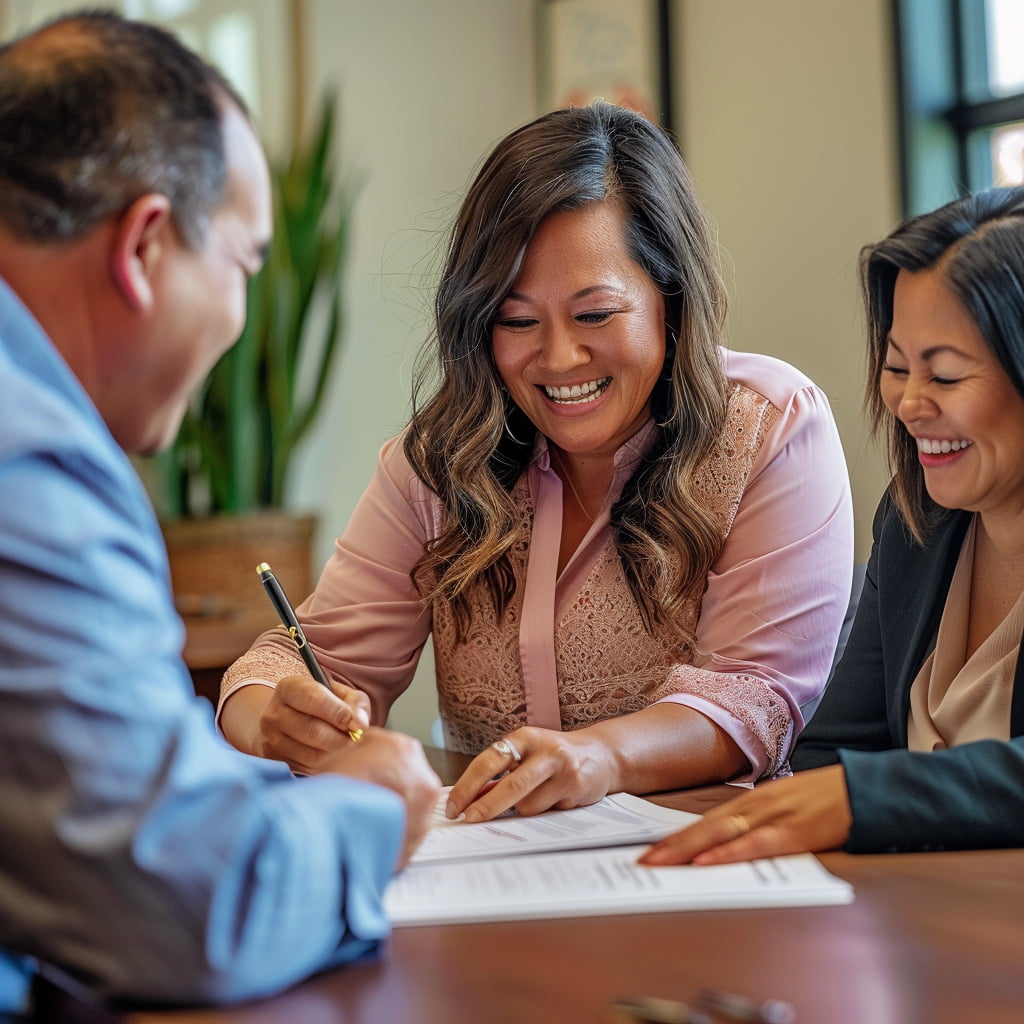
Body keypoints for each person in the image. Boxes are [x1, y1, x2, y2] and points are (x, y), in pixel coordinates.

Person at [219, 101, 854, 824]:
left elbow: (754, 696)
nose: (558, 359)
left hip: (710, 869)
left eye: (595, 315)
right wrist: (271, 714)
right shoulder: (437, 462)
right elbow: (304, 659)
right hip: (495, 879)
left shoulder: (770, 429)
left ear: (670, 299)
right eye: (517, 321)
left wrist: (600, 757)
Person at [0, 11, 441, 1016]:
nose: (242, 318)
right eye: (243, 264)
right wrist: (366, 810)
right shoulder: (33, 467)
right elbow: (192, 912)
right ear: (147, 245)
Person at [641, 186, 1024, 868]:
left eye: (945, 375)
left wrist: (866, 798)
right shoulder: (920, 523)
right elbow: (831, 757)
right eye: (897, 367)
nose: (909, 404)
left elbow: (854, 787)